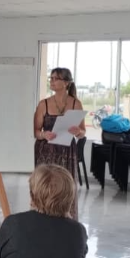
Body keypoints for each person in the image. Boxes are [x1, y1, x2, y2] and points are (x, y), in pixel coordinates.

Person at [33, 67, 85, 220]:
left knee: (65, 186)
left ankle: (66, 221)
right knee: (45, 185)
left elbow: (82, 132)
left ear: (66, 83)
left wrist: (78, 132)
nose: (52, 81)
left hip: (67, 151)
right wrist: (44, 134)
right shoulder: (44, 104)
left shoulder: (76, 103)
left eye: (56, 78)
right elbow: (35, 131)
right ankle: (41, 218)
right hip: (46, 150)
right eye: (51, 78)